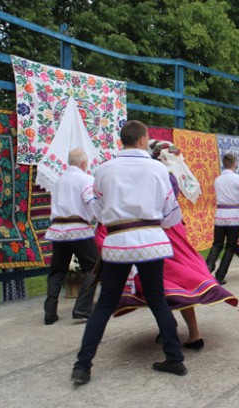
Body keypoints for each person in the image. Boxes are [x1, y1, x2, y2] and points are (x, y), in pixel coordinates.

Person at [71, 120, 187, 385]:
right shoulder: (158, 169)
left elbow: (98, 210)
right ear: (144, 140)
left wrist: (117, 218)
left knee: (104, 305)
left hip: (118, 245)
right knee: (158, 300)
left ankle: (82, 366)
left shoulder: (104, 169)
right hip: (152, 242)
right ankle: (175, 358)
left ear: (122, 140)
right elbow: (171, 215)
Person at [97, 140, 239, 350]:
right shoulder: (166, 174)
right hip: (172, 230)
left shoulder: (154, 174)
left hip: (156, 232)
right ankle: (191, 333)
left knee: (161, 285)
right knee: (177, 282)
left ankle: (171, 330)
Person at [43, 148, 98, 325]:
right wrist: (100, 216)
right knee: (94, 268)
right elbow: (91, 201)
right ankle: (82, 308)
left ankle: (50, 311)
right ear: (83, 164)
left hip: (58, 230)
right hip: (78, 228)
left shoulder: (59, 180)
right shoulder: (86, 179)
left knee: (57, 270)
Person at [205, 153, 239, 285]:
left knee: (217, 244)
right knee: (230, 248)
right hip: (234, 217)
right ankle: (219, 276)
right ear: (234, 164)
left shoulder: (218, 179)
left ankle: (207, 269)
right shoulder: (238, 178)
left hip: (220, 215)